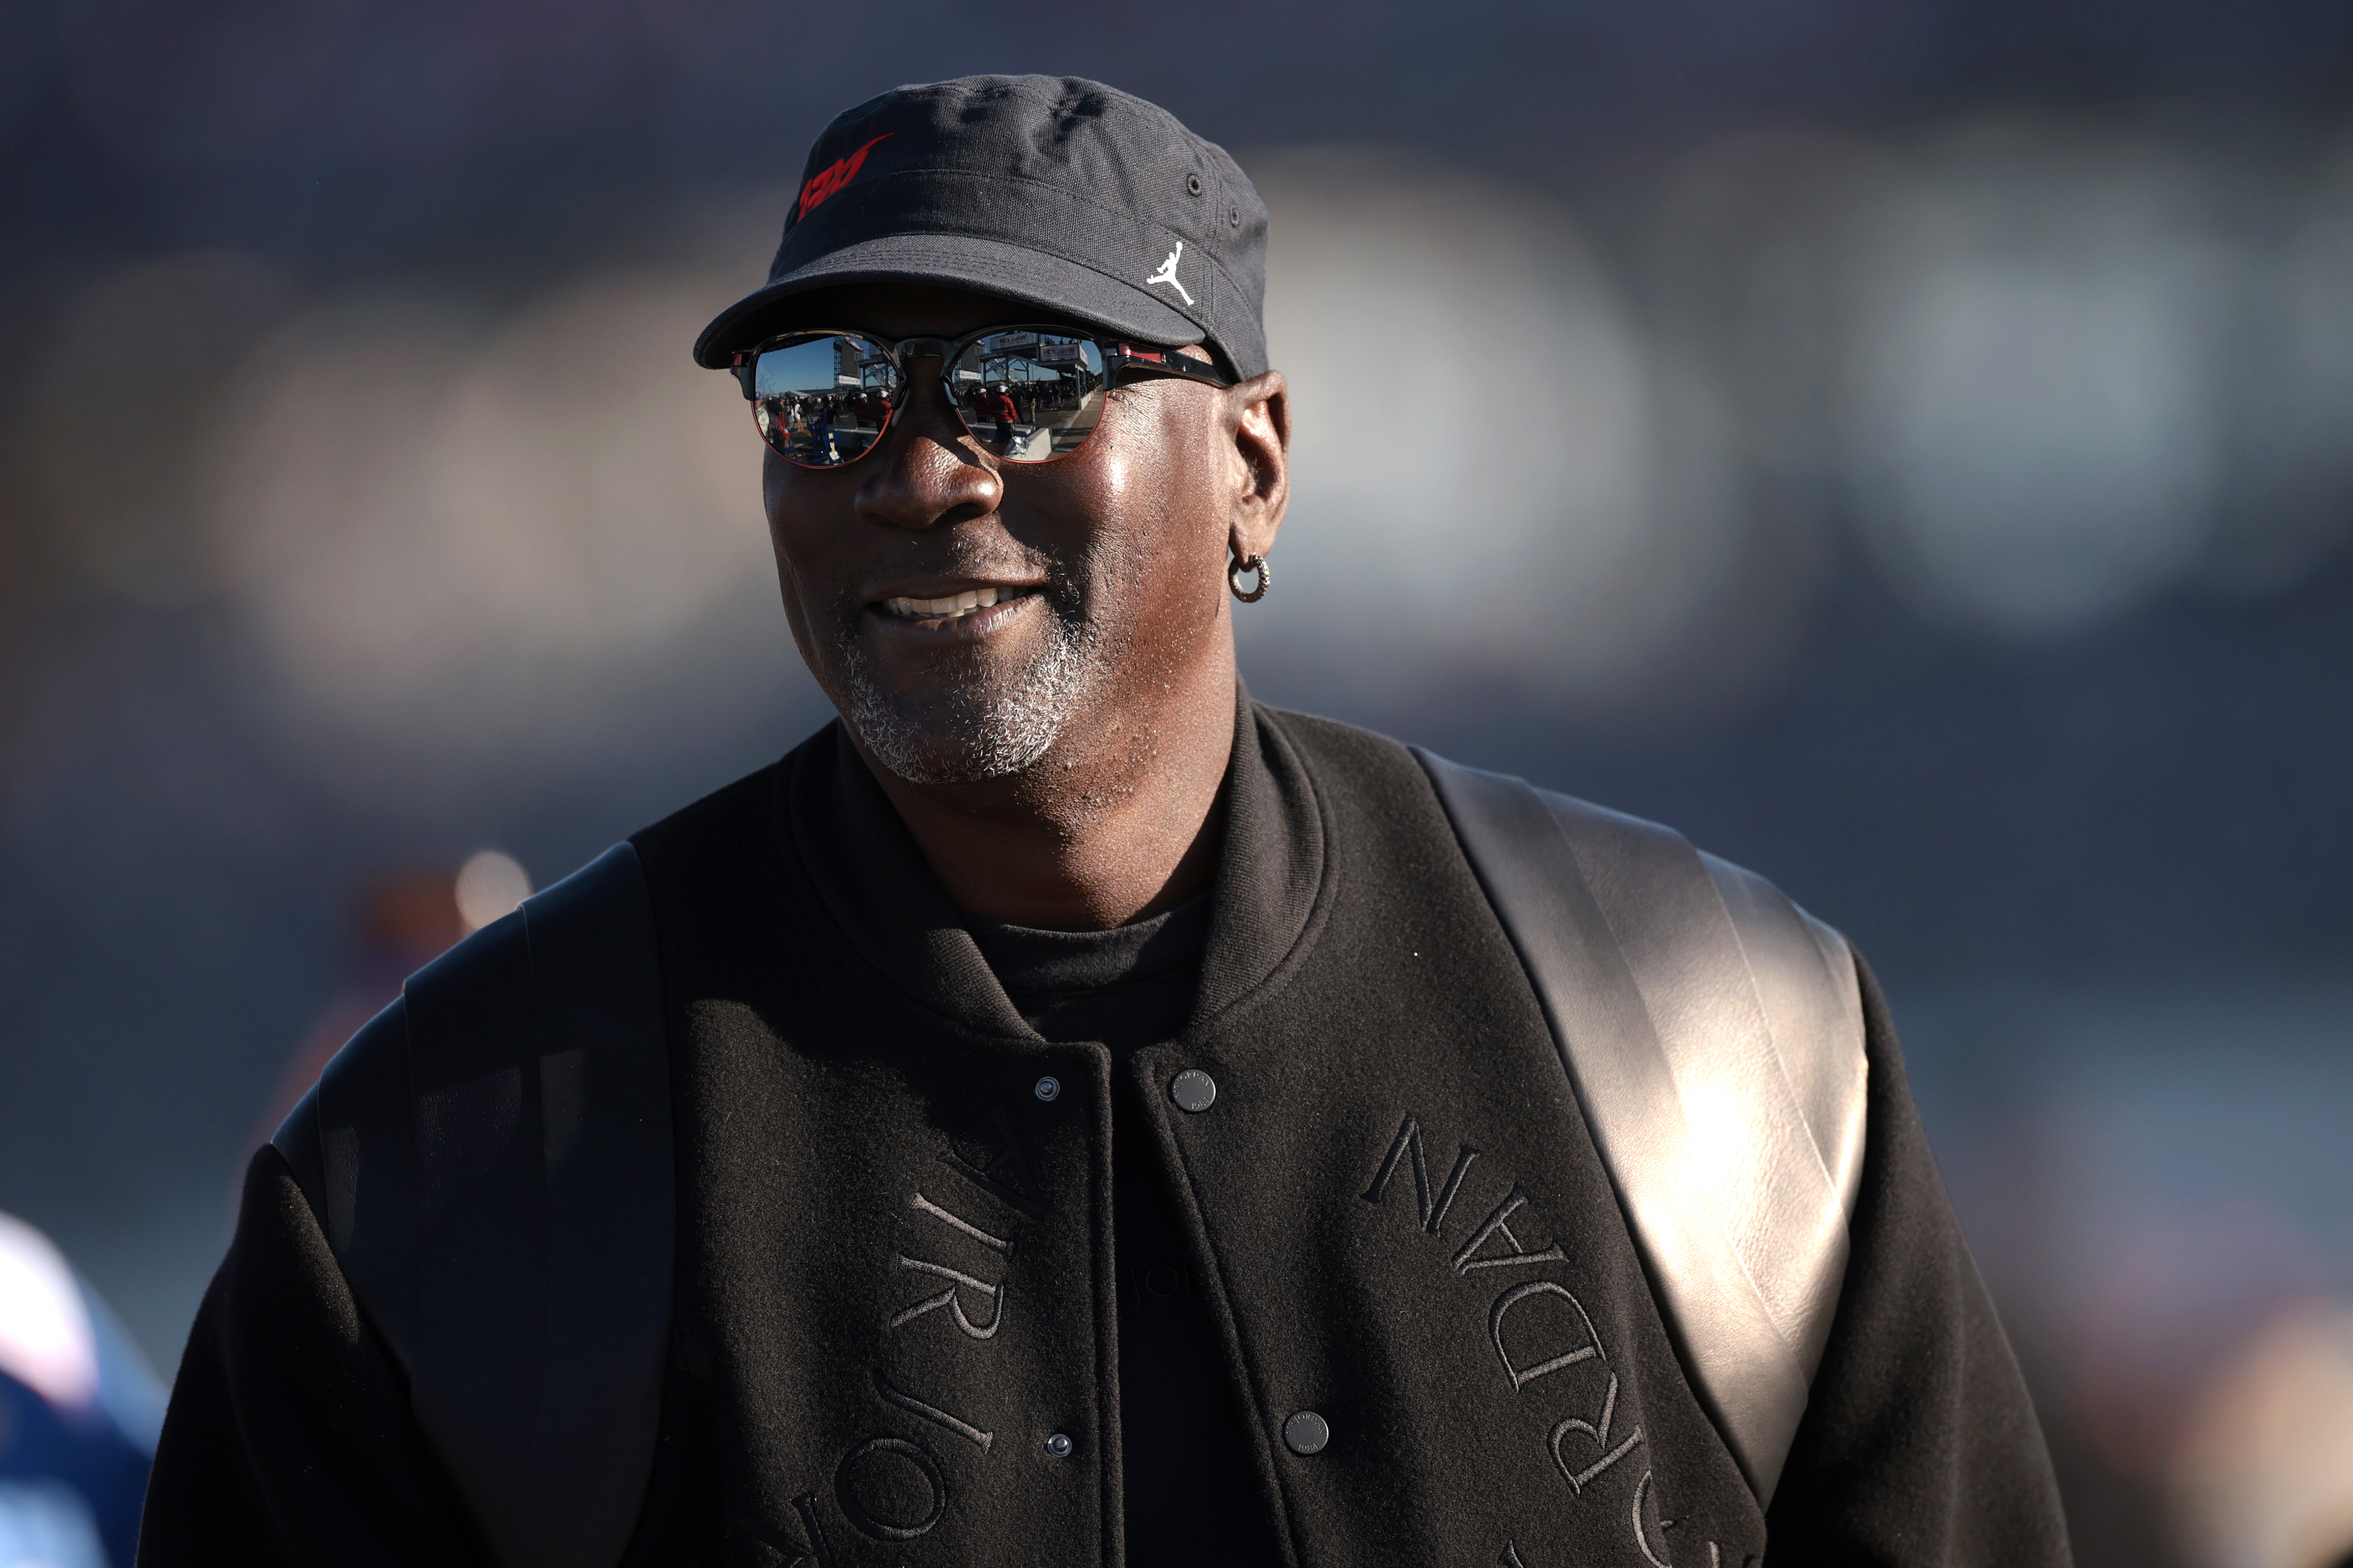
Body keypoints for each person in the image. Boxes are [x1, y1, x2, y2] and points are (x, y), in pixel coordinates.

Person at [139, 75, 2070, 1568]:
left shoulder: (1712, 1033)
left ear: (1254, 463)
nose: (915, 469)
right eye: (824, 394)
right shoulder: (454, 1159)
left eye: (1022, 381)